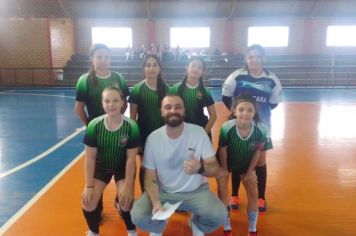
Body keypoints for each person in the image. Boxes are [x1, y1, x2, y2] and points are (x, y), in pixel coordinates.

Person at [131, 94, 228, 236]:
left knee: (219, 215)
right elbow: (149, 177)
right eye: (168, 107)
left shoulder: (198, 133)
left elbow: (214, 168)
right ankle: (159, 225)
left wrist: (200, 168)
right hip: (164, 192)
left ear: (184, 111)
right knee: (138, 215)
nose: (173, 110)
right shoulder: (153, 138)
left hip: (196, 192)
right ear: (162, 111)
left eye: (178, 107)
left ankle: (196, 224)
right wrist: (156, 202)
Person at [221, 44, 282, 213]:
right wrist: (239, 115)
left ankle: (261, 197)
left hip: (262, 129)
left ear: (263, 58)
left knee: (261, 162)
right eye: (250, 57)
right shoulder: (237, 76)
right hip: (239, 127)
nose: (254, 60)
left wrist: (258, 116)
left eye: (257, 56)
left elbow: (273, 103)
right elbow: (226, 97)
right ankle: (234, 195)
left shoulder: (272, 79)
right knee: (237, 160)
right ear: (246, 59)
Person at [75, 43, 130, 216]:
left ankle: (119, 201)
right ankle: (96, 207)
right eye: (99, 56)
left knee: (121, 164)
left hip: (119, 130)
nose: (103, 60)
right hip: (98, 135)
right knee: (98, 169)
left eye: (106, 57)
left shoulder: (118, 77)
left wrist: (119, 121)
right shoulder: (85, 80)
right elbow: (78, 109)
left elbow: (125, 102)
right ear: (92, 59)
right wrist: (91, 127)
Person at [82, 87, 140, 236]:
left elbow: (131, 159)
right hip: (101, 167)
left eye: (115, 100)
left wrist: (128, 186)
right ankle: (94, 232)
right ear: (102, 103)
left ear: (122, 103)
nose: (111, 104)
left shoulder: (131, 127)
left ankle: (131, 230)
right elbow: (90, 158)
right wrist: (89, 186)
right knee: (88, 202)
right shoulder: (94, 125)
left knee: (126, 201)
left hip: (122, 167)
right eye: (107, 101)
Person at [217, 93, 266, 236]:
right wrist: (225, 170)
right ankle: (226, 226)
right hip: (226, 161)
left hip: (246, 162)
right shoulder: (226, 127)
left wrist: (250, 171)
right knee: (222, 190)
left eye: (250, 110)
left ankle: (252, 228)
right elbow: (223, 150)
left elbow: (258, 151)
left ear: (255, 112)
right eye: (241, 109)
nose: (245, 113)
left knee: (253, 192)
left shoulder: (261, 129)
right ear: (234, 111)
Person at [128, 55, 170, 191]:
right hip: (144, 134)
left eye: (155, 65)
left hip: (164, 136)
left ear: (159, 68)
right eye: (148, 65)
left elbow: (171, 115)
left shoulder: (168, 89)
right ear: (144, 68)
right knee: (146, 167)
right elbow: (133, 116)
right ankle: (146, 196)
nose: (151, 68)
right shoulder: (137, 89)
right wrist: (137, 140)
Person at [170, 57, 217, 138]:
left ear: (202, 72)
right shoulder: (176, 88)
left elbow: (213, 115)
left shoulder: (205, 91)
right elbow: (169, 111)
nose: (196, 69)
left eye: (200, 67)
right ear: (187, 68)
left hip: (200, 129)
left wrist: (204, 134)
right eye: (193, 66)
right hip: (181, 131)